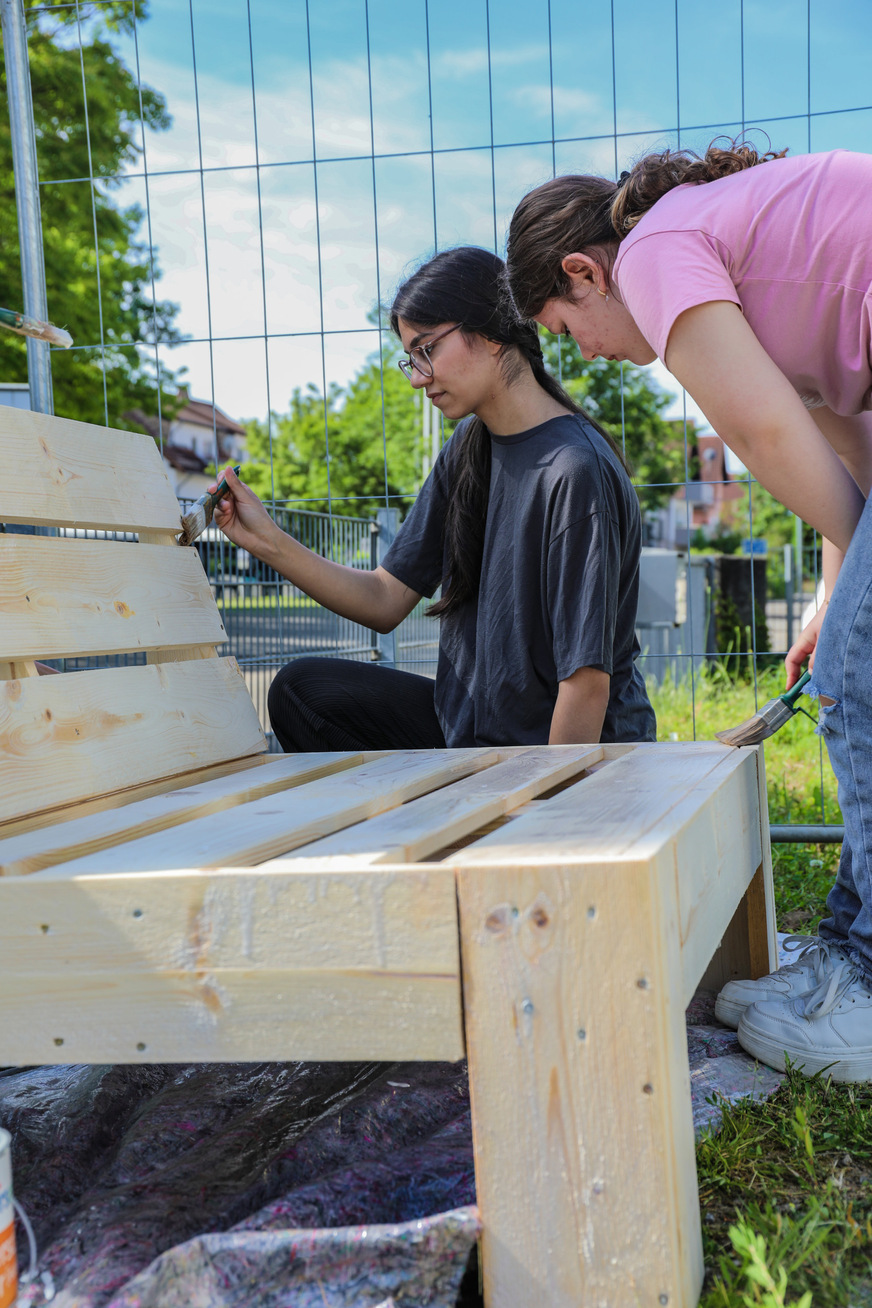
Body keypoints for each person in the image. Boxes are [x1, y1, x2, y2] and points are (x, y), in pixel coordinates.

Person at [505, 141, 872, 1081]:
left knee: (859, 686)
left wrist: (857, 622)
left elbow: (760, 433)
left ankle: (867, 987)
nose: (583, 352)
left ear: (586, 272)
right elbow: (848, 458)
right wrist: (840, 591)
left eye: (564, 322)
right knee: (854, 666)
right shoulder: (751, 275)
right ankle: (844, 955)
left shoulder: (661, 248)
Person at [210, 245, 655, 759]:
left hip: (569, 754)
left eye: (427, 350)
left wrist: (544, 818)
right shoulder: (470, 447)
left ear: (490, 333)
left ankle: (464, 831)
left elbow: (586, 686)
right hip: (471, 737)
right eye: (411, 359)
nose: (419, 377)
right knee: (301, 691)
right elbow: (383, 600)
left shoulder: (575, 470)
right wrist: (264, 539)